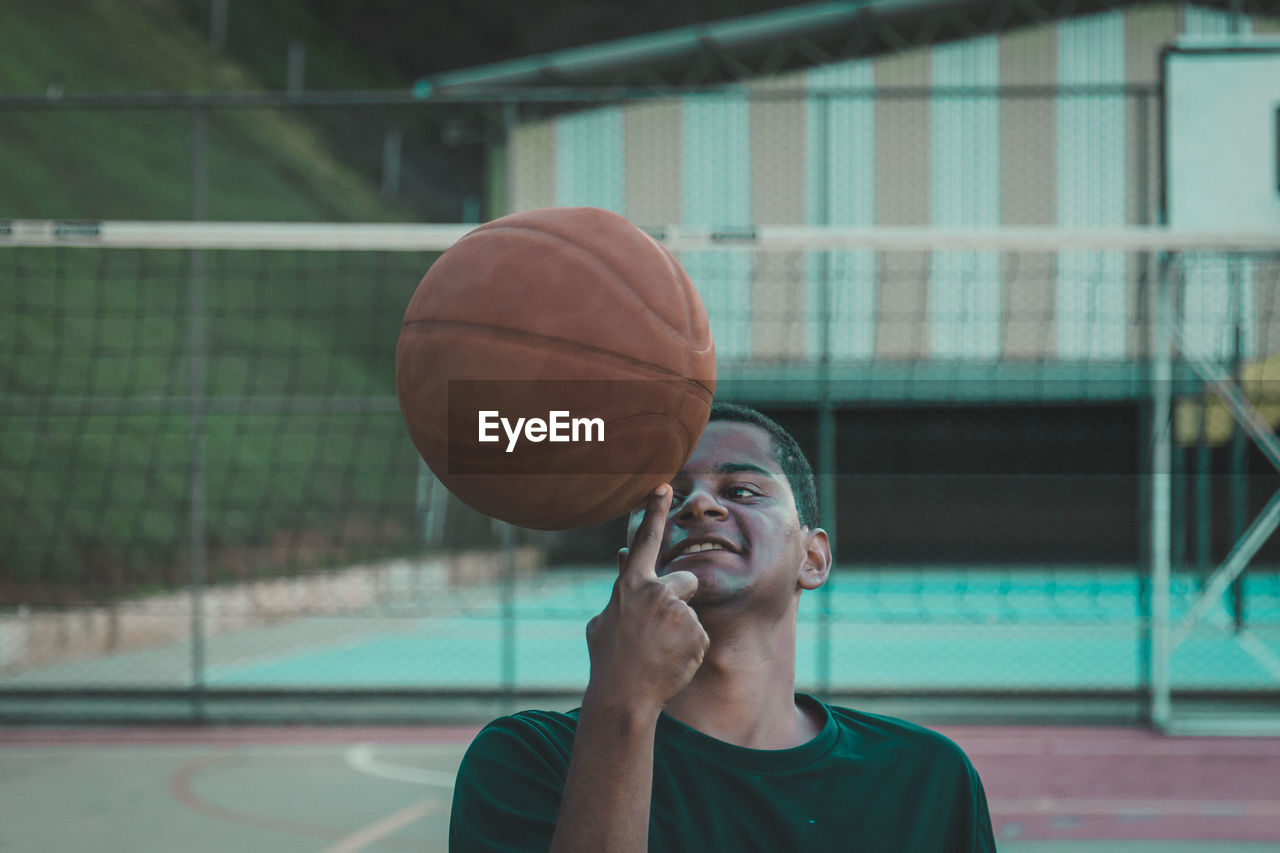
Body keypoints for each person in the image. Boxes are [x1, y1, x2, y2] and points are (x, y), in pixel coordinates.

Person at [450, 402, 996, 852]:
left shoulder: (928, 778)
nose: (697, 505)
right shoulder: (527, 760)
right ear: (630, 564)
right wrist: (623, 696)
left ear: (814, 557)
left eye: (740, 490)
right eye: (661, 499)